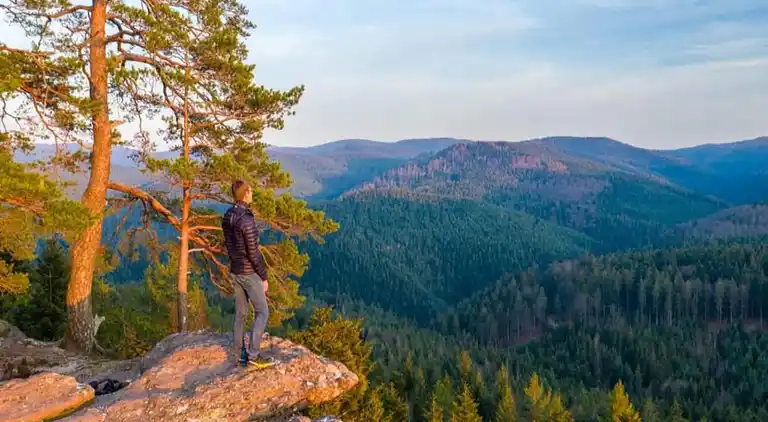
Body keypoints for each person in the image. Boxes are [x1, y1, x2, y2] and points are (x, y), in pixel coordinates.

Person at [222, 179, 274, 368]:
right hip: (248, 272)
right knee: (262, 312)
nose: (252, 193)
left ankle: (238, 354)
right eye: (250, 191)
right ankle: (253, 354)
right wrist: (263, 276)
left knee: (241, 313)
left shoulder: (228, 215)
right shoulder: (246, 219)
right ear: (245, 194)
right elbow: (253, 252)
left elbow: (229, 245)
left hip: (235, 270)